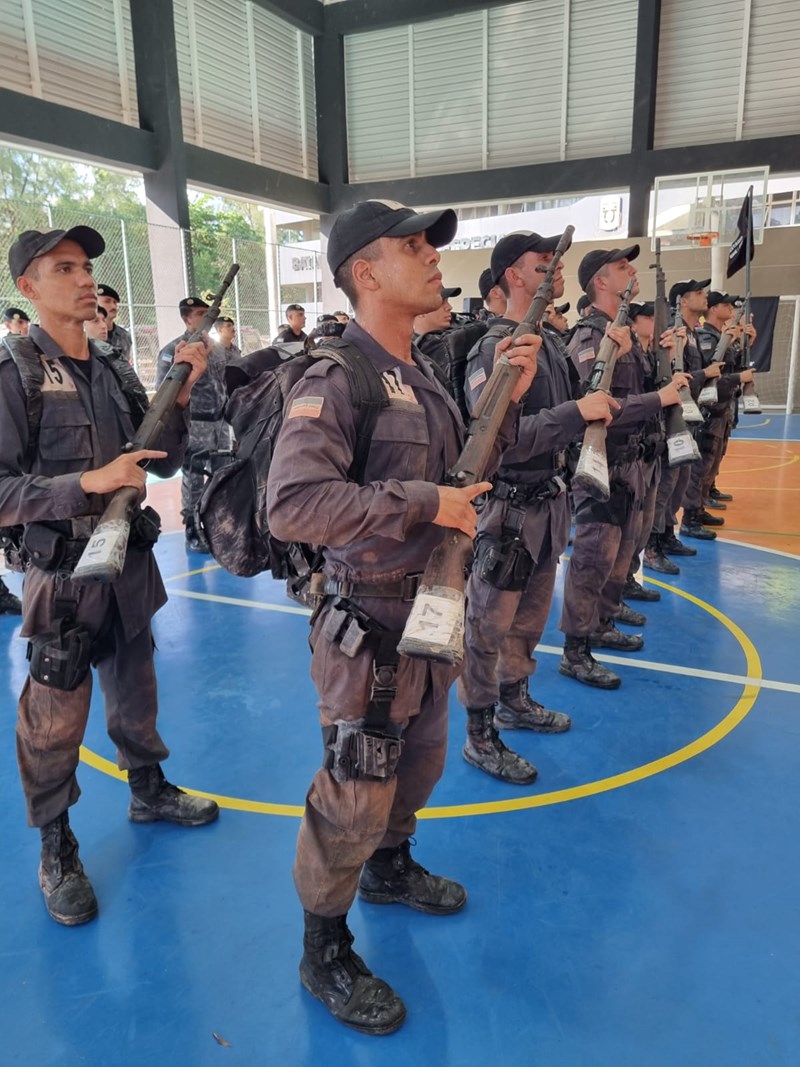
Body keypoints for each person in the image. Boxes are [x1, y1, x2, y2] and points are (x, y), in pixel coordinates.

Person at [266, 199, 539, 1035]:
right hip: (367, 630)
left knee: (416, 768)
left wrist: (508, 395)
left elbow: (466, 476)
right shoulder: (335, 375)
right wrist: (426, 503)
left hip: (430, 616)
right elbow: (294, 504)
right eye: (411, 245)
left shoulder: (419, 373)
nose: (431, 257)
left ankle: (390, 865)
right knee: (354, 790)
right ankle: (324, 948)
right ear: (364, 272)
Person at [0, 226, 219, 927]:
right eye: (64, 267)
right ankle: (56, 843)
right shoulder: (15, 376)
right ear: (27, 288)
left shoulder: (115, 368)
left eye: (88, 265)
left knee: (137, 683)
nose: (85, 277)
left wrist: (179, 400)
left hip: (127, 561)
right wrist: (85, 483)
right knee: (54, 715)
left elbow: (159, 461)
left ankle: (147, 785)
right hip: (62, 573)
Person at [457, 232, 619, 784]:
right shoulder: (494, 350)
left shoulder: (547, 343)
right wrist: (576, 412)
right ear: (512, 276)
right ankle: (479, 733)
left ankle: (514, 699)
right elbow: (501, 438)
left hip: (547, 506)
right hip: (506, 512)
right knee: (486, 627)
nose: (553, 270)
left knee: (527, 620)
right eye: (540, 264)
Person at [559, 246, 681, 688]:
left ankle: (603, 621)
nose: (632, 271)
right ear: (600, 283)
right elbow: (597, 406)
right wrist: (658, 398)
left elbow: (640, 390)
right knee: (593, 558)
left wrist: (662, 359)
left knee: (621, 553)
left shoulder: (625, 334)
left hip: (634, 464)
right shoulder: (593, 338)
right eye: (622, 267)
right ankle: (576, 649)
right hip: (605, 466)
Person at [156, 297, 227, 552]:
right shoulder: (174, 350)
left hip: (220, 422)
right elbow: (163, 391)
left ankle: (218, 526)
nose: (205, 318)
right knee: (194, 475)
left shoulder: (217, 349)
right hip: (195, 423)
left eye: (207, 313)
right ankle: (193, 529)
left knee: (222, 473)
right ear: (187, 319)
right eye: (199, 313)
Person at [96, 284, 133, 364]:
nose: (113, 306)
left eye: (115, 302)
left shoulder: (124, 335)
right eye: (107, 301)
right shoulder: (86, 334)